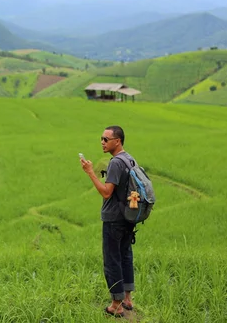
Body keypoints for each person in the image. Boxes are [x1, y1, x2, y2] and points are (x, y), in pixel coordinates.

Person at [80, 125, 136, 318]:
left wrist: (90, 172)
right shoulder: (130, 159)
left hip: (114, 219)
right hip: (128, 217)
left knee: (112, 260)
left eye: (106, 139)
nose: (102, 142)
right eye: (101, 139)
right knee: (125, 256)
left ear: (117, 141)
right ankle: (127, 299)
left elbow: (106, 192)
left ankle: (116, 305)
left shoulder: (115, 163)